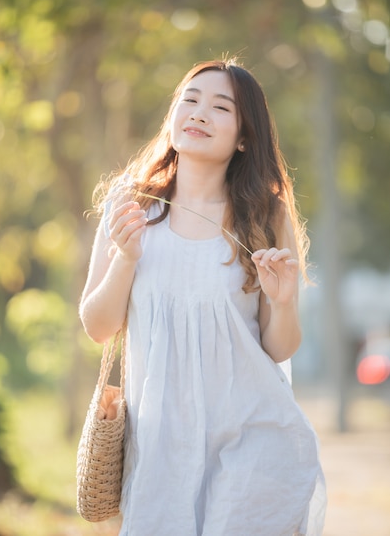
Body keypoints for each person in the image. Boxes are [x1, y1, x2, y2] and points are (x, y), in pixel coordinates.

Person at [79, 58, 327, 535]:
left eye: (219, 107)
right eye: (189, 101)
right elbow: (97, 325)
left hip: (253, 437)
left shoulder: (264, 216)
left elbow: (278, 349)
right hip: (159, 448)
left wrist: (284, 301)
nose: (198, 113)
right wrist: (127, 259)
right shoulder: (130, 205)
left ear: (243, 137)